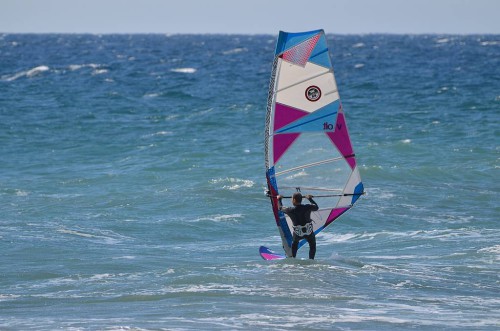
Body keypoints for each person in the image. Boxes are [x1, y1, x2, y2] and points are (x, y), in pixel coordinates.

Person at [276, 192, 319, 259]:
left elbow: (280, 208)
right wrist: (310, 199)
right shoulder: (307, 207)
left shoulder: (290, 210)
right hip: (309, 232)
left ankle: (293, 258)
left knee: (295, 244)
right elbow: (316, 207)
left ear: (294, 200)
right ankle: (311, 260)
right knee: (312, 245)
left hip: (298, 234)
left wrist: (279, 199)